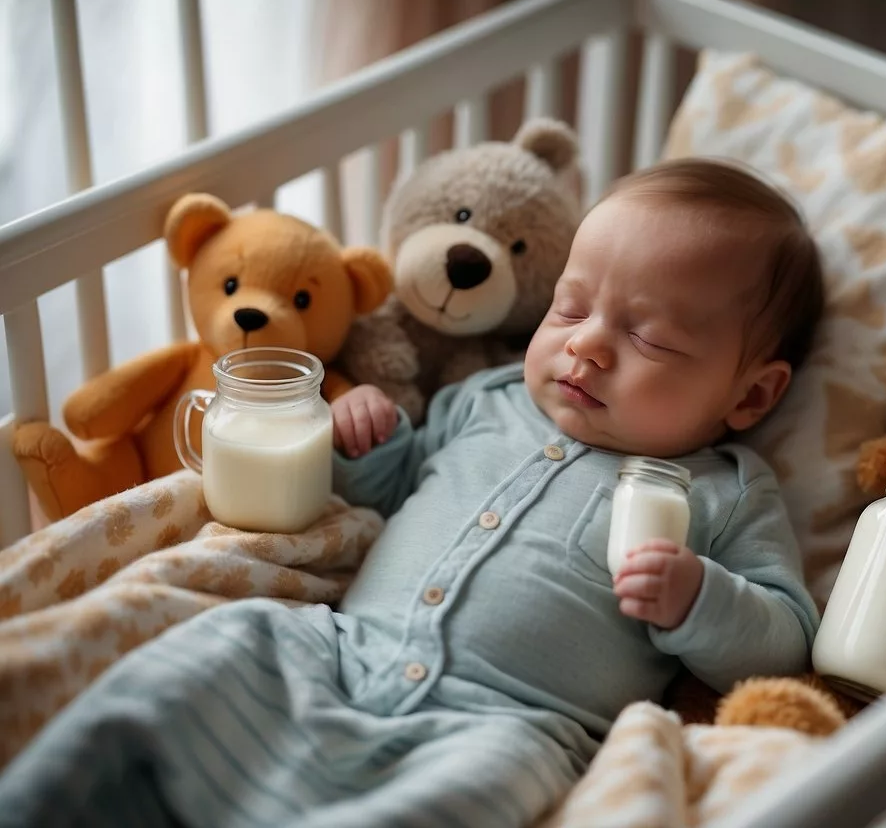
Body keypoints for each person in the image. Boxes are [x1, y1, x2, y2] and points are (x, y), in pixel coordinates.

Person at [0, 158, 825, 828]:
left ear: (749, 396)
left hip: (506, 726)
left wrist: (698, 601)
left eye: (646, 336)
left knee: (457, 800)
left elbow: (783, 637)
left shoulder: (727, 492)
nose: (586, 347)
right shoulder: (488, 398)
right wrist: (372, 440)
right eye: (570, 308)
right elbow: (394, 492)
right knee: (212, 654)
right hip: (339, 650)